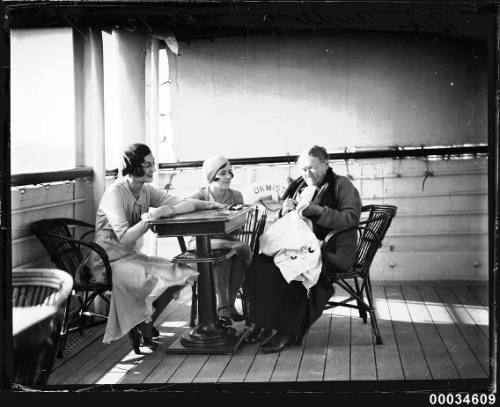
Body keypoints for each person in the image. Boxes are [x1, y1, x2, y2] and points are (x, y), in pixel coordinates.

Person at [92, 143, 224, 350]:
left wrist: (208, 205)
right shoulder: (114, 194)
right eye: (147, 165)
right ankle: (144, 321)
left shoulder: (145, 190)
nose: (153, 169)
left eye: (153, 164)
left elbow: (183, 202)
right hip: (109, 262)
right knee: (153, 277)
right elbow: (125, 237)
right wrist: (150, 218)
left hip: (132, 257)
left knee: (182, 273)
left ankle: (147, 320)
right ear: (132, 166)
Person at [243, 145, 362, 353]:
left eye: (312, 168)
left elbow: (350, 219)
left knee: (290, 269)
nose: (307, 174)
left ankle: (288, 331)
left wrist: (319, 211)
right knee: (259, 263)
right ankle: (263, 322)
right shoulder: (300, 185)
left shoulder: (342, 185)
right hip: (302, 246)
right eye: (303, 169)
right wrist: (285, 211)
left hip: (333, 250)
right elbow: (289, 222)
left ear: (326, 164)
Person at [187, 156, 251, 325]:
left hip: (226, 243)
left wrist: (234, 218)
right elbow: (185, 213)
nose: (228, 176)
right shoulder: (200, 195)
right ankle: (224, 307)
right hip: (200, 245)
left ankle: (228, 306)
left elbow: (239, 229)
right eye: (222, 173)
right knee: (234, 250)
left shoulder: (236, 196)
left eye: (230, 172)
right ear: (211, 175)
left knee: (232, 255)